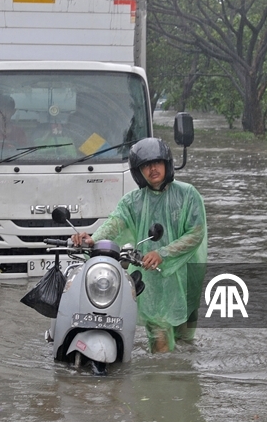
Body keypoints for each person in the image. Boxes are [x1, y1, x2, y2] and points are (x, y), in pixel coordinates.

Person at [72, 137, 207, 353]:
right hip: (151, 279)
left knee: (185, 340)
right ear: (138, 171)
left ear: (167, 164)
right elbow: (115, 223)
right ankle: (160, 381)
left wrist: (163, 253)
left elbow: (196, 233)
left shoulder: (188, 194)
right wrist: (93, 240)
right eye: (145, 165)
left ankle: (181, 379)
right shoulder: (132, 201)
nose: (152, 169)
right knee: (159, 338)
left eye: (157, 162)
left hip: (184, 276)